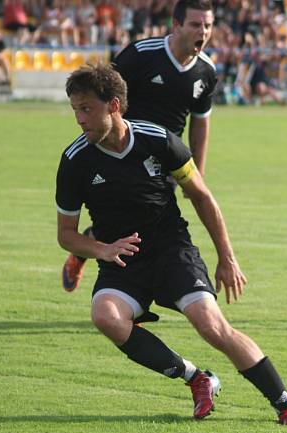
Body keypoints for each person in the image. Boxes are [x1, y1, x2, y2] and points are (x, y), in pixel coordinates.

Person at [55, 64, 287, 425]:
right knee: (105, 317)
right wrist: (101, 250)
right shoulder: (74, 161)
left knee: (212, 327)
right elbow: (66, 234)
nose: (80, 120)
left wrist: (227, 257)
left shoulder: (158, 140)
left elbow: (202, 197)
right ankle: (196, 378)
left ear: (113, 105)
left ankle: (285, 404)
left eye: (86, 109)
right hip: (122, 261)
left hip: (172, 250)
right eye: (75, 110)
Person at [61, 0, 217, 293]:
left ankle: (131, 291)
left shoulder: (206, 72)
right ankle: (97, 262)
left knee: (147, 222)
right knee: (124, 218)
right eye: (196, 24)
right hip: (125, 152)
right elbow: (103, 91)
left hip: (167, 157)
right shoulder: (141, 55)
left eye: (208, 25)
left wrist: (199, 172)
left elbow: (201, 122)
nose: (203, 31)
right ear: (176, 25)